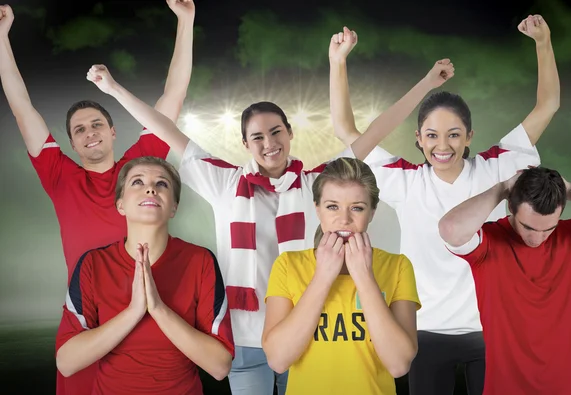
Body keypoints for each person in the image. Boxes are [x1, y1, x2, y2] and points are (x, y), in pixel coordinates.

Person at [83, 30, 390, 391]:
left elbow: (365, 139)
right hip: (244, 337)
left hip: (305, 328)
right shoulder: (226, 183)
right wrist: (114, 89)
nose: (269, 143)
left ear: (290, 134)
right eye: (257, 137)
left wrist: (338, 63)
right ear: (245, 144)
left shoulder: (316, 184)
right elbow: (164, 128)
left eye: (276, 132)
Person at [330, 15, 559, 394]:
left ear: (469, 135)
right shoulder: (405, 180)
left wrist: (543, 41)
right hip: (424, 331)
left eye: (454, 135)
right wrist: (338, 63)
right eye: (432, 135)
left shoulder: (496, 167)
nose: (443, 145)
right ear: (418, 139)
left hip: (493, 330)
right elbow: (347, 132)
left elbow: (547, 105)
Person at [0, 1, 195, 393]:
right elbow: (22, 108)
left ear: (112, 132)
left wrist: (186, 21)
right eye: (79, 130)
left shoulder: (138, 168)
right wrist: (2, 37)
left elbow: (172, 97)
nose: (89, 133)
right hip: (88, 316)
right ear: (70, 142)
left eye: (96, 125)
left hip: (149, 309)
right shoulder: (60, 176)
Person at [55, 156, 235, 395]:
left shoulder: (200, 261)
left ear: (173, 207)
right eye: (137, 182)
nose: (150, 188)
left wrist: (158, 308)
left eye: (162, 184)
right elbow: (66, 363)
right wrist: (134, 311)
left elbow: (220, 366)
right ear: (120, 205)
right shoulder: (93, 264)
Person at [261, 157, 421, 395]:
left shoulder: (398, 266)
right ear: (317, 209)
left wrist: (364, 277)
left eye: (357, 207)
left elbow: (398, 365)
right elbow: (278, 360)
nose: (344, 219)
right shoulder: (287, 265)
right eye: (332, 206)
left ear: (372, 212)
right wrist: (323, 277)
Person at [438, 167, 571, 395]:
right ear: (511, 207)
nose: (537, 238)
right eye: (528, 227)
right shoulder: (488, 243)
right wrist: (503, 188)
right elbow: (450, 228)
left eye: (549, 229)